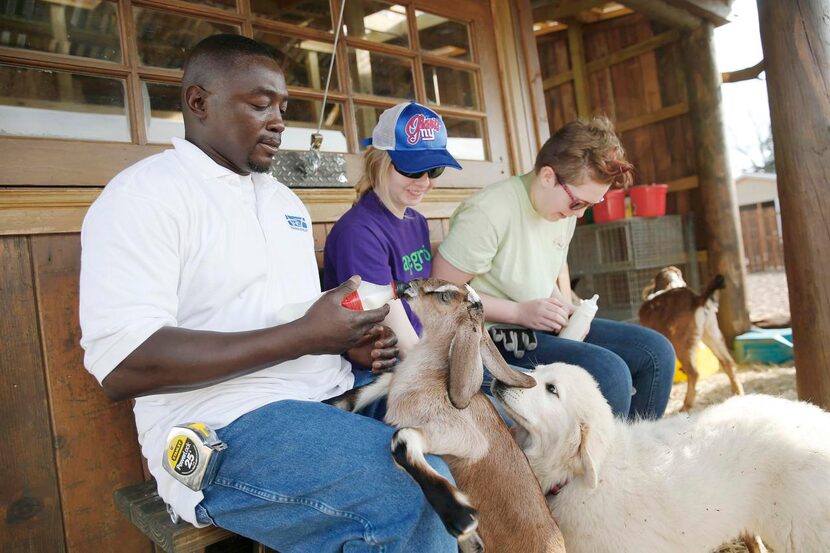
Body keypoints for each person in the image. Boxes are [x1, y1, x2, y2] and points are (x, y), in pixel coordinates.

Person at [78, 34, 457, 553]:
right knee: (414, 488)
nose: (279, 120)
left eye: (283, 106)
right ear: (198, 102)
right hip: (221, 424)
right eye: (260, 104)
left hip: (329, 394)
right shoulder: (143, 198)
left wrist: (344, 343)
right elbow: (122, 366)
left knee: (488, 429)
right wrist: (303, 336)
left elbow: (284, 319)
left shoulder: (284, 203)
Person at [432, 116, 676, 420]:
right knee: (611, 373)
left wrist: (567, 306)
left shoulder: (562, 208)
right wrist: (519, 312)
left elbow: (547, 269)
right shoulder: (489, 212)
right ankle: (598, 464)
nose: (581, 212)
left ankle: (634, 457)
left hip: (539, 326)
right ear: (548, 176)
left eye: (592, 203)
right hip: (491, 337)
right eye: (578, 204)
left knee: (657, 353)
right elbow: (441, 294)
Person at [323, 101, 462, 361]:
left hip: (422, 355)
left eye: (434, 169)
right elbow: (401, 342)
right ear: (379, 161)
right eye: (413, 169)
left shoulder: (416, 221)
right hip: (378, 371)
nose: (425, 182)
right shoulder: (359, 233)